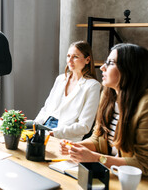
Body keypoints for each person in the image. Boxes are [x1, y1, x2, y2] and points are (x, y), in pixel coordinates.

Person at [59, 43, 148, 175]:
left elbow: (143, 163)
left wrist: (96, 158)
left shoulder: (145, 105)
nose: (102, 67)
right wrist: (76, 147)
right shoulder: (108, 96)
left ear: (130, 69)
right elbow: (97, 138)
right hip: (111, 172)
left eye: (111, 63)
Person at [34, 41, 101, 142]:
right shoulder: (60, 79)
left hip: (64, 136)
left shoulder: (92, 86)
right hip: (43, 128)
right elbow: (46, 109)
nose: (70, 60)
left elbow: (85, 126)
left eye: (75, 57)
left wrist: (55, 132)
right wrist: (34, 125)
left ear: (87, 60)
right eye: (68, 56)